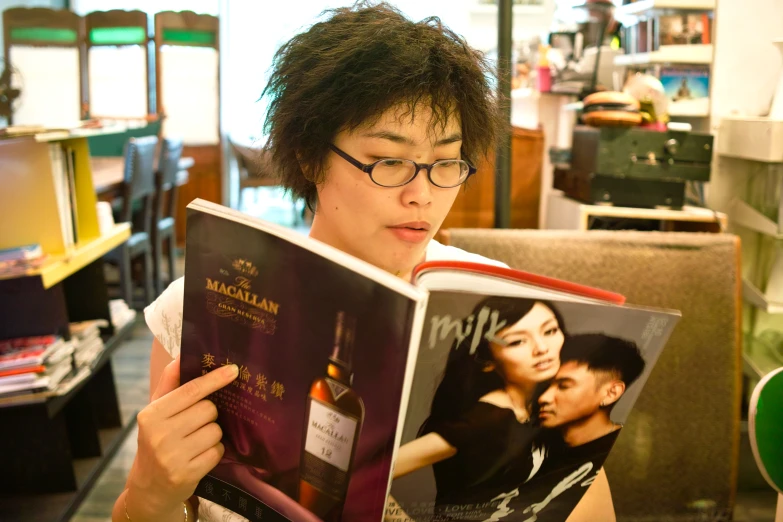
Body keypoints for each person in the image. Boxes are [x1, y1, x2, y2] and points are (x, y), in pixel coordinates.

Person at [112, 3, 616, 521]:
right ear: (311, 156)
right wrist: (151, 496)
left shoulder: (509, 308)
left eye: (446, 163)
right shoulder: (198, 305)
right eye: (389, 161)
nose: (422, 195)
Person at [390, 297, 567, 520]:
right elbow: (368, 476)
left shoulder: (536, 409)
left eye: (550, 331)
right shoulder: (488, 419)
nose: (542, 348)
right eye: (516, 342)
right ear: (487, 360)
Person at [499, 333, 646, 522]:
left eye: (564, 386)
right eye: (547, 385)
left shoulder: (622, 459)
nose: (544, 397)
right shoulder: (537, 447)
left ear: (611, 393)